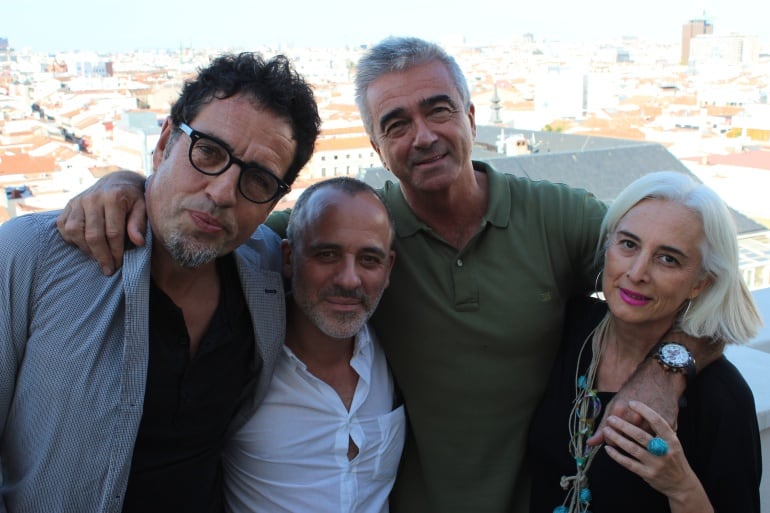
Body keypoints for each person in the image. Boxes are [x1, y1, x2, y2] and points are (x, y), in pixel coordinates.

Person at [56, 37, 724, 513]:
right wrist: (127, 186)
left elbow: (683, 276)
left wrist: (667, 370)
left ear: (470, 115)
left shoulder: (560, 218)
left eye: (437, 109)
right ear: (376, 146)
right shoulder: (353, 227)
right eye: (395, 123)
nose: (423, 136)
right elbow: (222, 220)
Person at [0, 52, 320, 512]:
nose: (222, 193)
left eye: (258, 180)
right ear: (165, 142)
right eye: (208, 152)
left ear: (274, 201)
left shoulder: (268, 266)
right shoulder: (33, 256)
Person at [528, 171, 763, 513]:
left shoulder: (721, 398)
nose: (637, 272)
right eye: (629, 244)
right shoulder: (567, 330)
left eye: (668, 258)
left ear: (700, 283)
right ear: (608, 245)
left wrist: (680, 486)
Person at [223, 177, 406, 512]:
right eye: (327, 254)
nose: (349, 279)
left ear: (388, 267)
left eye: (369, 259)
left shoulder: (397, 349)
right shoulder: (238, 359)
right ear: (289, 258)